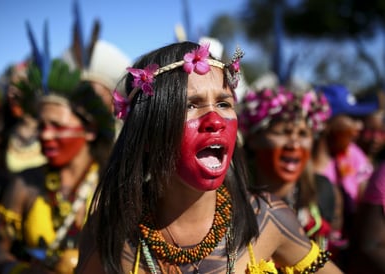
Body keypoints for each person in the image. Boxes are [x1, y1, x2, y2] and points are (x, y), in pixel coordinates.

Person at [75, 41, 341, 273]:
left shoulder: (267, 218)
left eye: (224, 103)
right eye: (190, 104)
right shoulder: (110, 228)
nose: (215, 120)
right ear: (147, 134)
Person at [0, 59, 115, 274]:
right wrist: (19, 270)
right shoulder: (25, 182)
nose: (45, 135)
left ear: (90, 130)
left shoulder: (114, 184)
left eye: (57, 126)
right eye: (41, 126)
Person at [237, 86, 335, 250]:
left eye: (303, 134)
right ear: (253, 139)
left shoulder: (321, 190)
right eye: (283, 132)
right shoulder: (232, 198)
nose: (294, 144)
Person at [313, 84, 376, 268]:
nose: (359, 126)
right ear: (327, 122)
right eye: (351, 118)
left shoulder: (353, 155)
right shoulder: (299, 164)